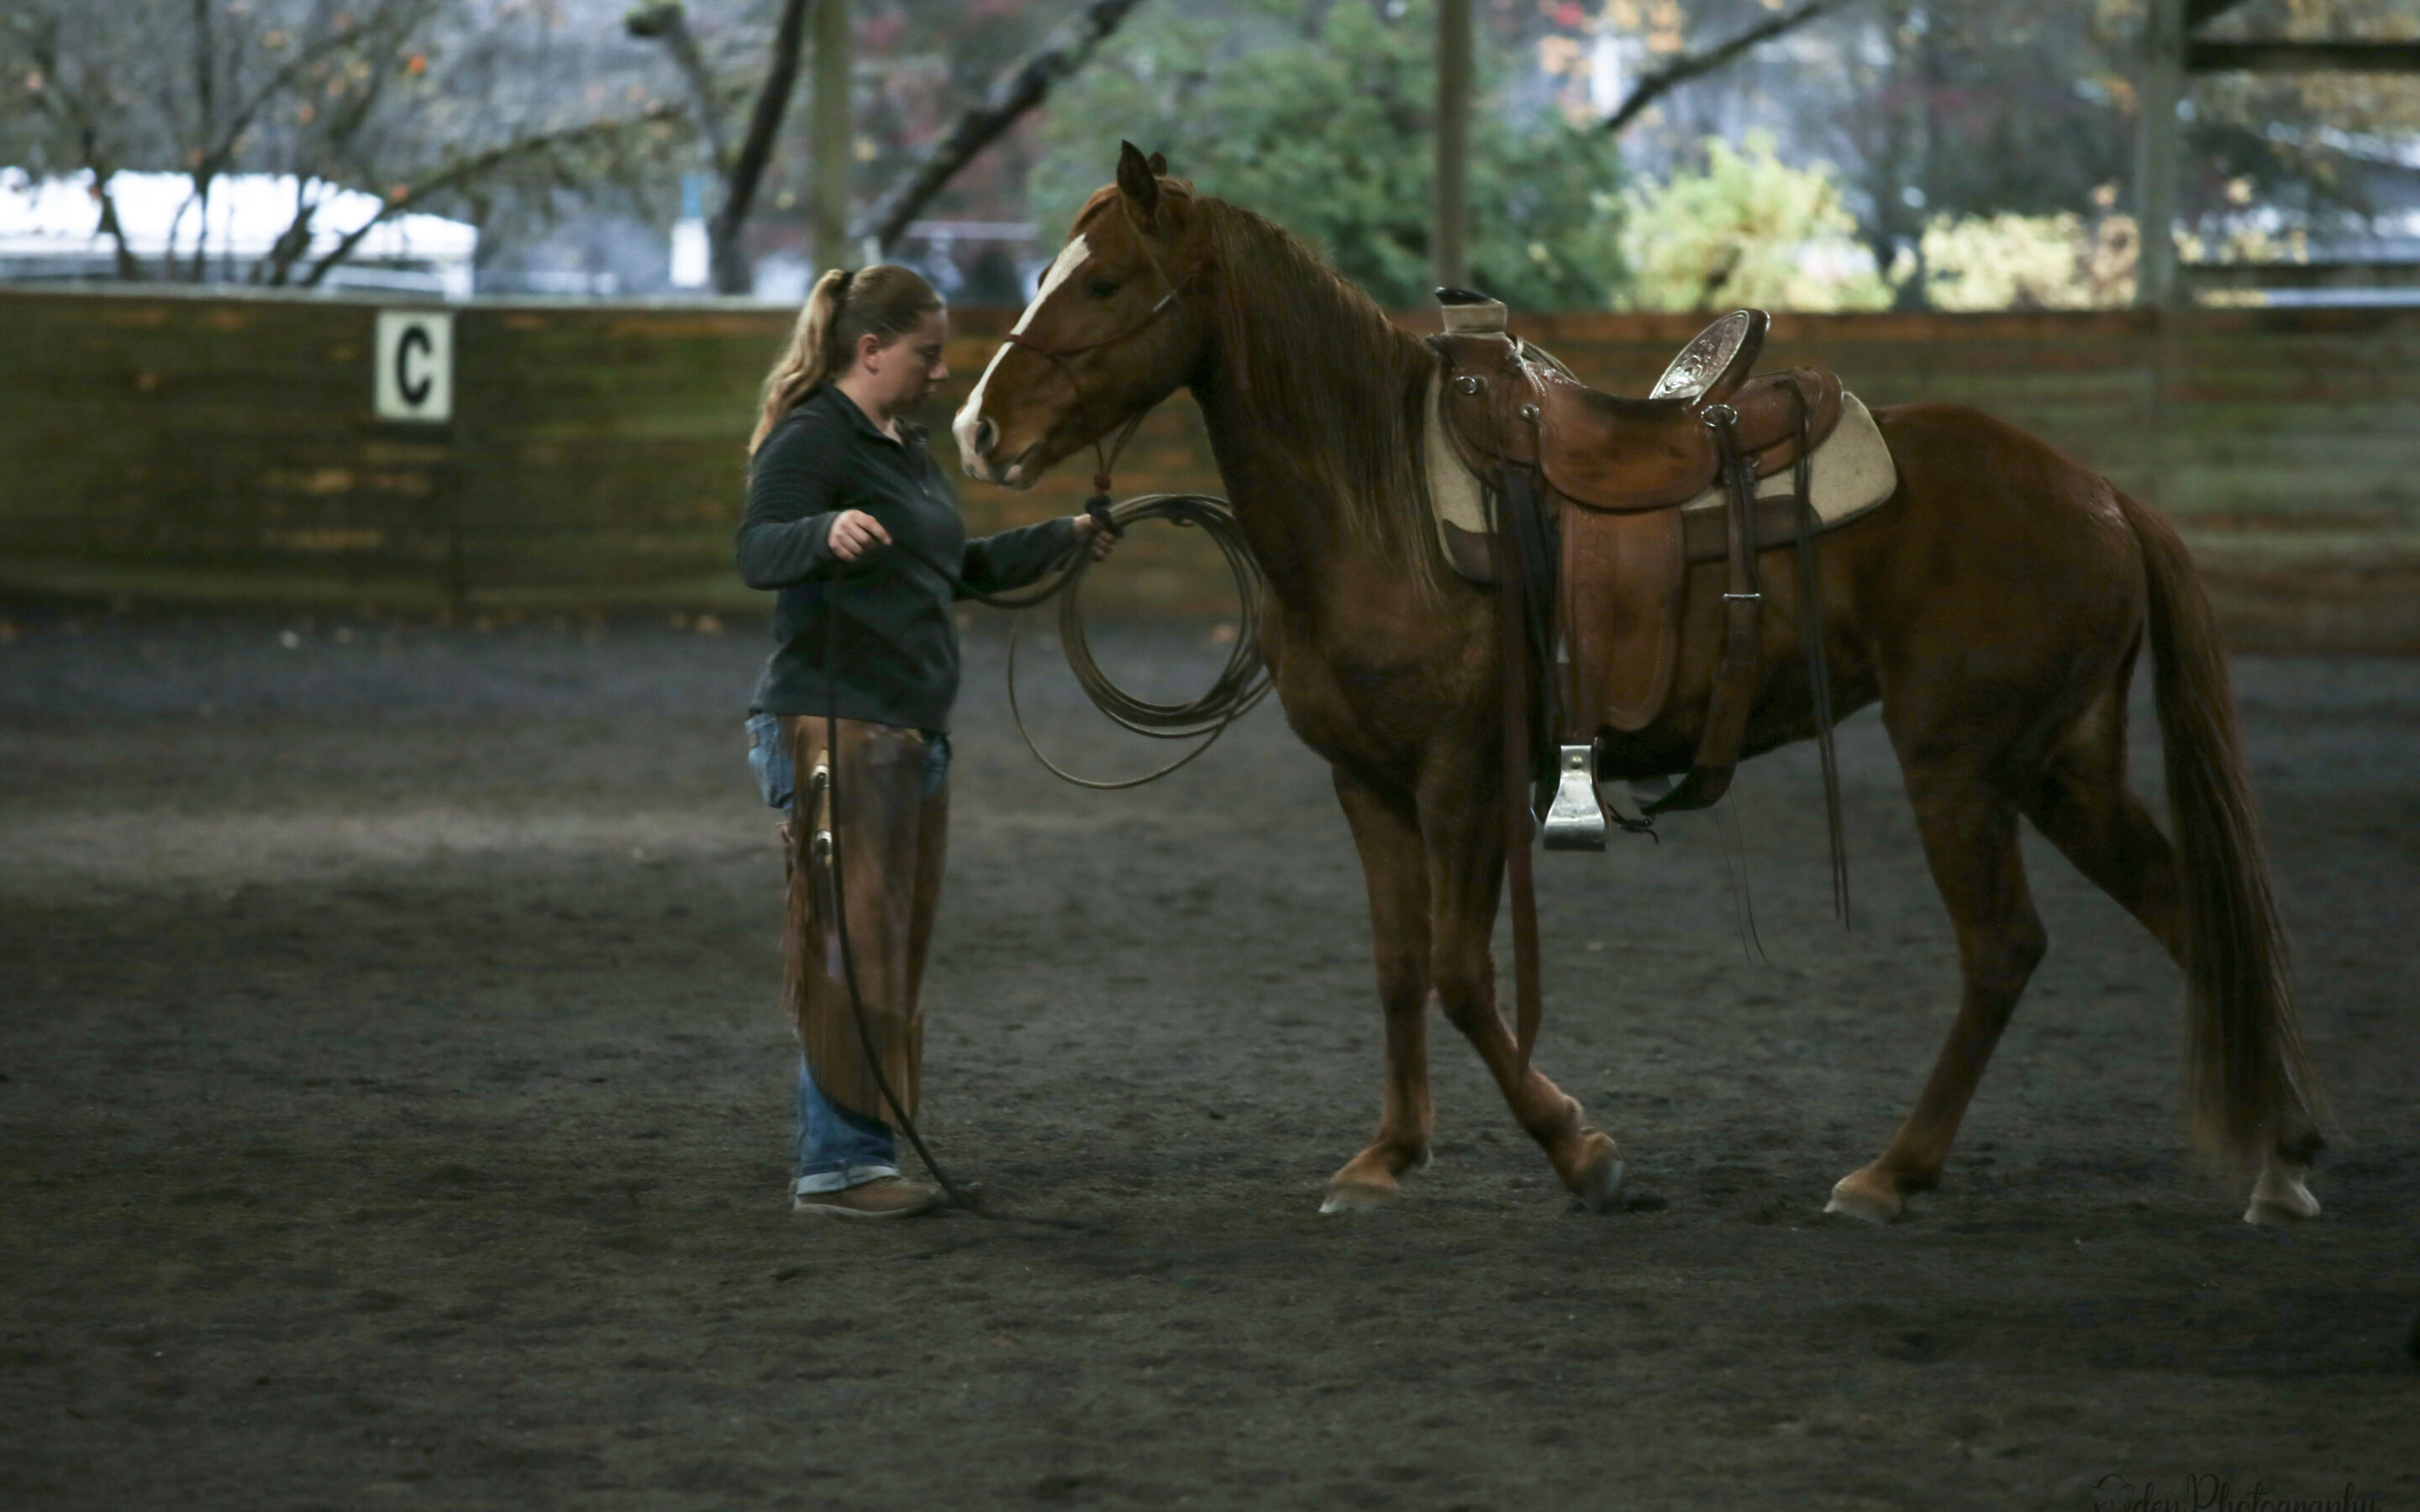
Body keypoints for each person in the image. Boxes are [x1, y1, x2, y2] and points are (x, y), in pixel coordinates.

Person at [735, 264, 1115, 1220]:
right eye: (927, 354)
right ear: (871, 352)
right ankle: (837, 1166)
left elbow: (965, 567)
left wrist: (1066, 535)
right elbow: (756, 549)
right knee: (850, 945)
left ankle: (858, 1155)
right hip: (835, 721)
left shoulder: (902, 448)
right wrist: (822, 531)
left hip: (904, 729)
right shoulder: (815, 436)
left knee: (886, 947)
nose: (943, 373)